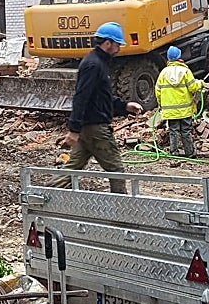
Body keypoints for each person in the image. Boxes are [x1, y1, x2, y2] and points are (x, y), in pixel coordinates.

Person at [55, 21, 143, 193]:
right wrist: (73, 129)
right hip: (96, 128)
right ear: (108, 43)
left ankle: (43, 198)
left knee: (72, 168)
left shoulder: (98, 63)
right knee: (116, 170)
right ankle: (121, 210)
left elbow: (102, 97)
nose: (119, 48)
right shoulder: (93, 65)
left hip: (89, 128)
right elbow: (81, 97)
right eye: (117, 44)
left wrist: (125, 106)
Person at [154, 45, 207, 158]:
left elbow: (157, 91)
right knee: (186, 130)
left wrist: (160, 105)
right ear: (179, 57)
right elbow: (193, 87)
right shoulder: (185, 71)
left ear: (168, 59)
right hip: (185, 110)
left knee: (173, 131)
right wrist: (201, 83)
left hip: (170, 112)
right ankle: (190, 152)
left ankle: (174, 152)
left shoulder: (163, 73)